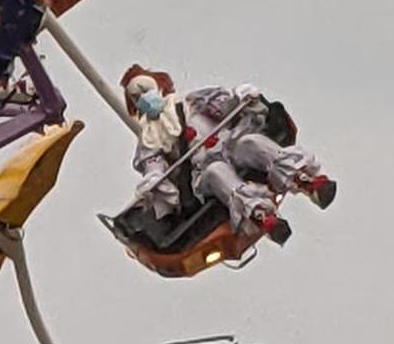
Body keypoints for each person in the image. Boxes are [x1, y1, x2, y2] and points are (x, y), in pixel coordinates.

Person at [120, 64, 337, 245]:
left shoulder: (191, 102)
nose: (144, 99)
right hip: (201, 168)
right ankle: (259, 215)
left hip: (227, 143)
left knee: (250, 142)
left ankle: (305, 180)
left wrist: (240, 98)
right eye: (137, 97)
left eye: (145, 90)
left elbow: (224, 108)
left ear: (158, 86)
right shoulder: (150, 138)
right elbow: (153, 165)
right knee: (217, 172)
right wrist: (154, 179)